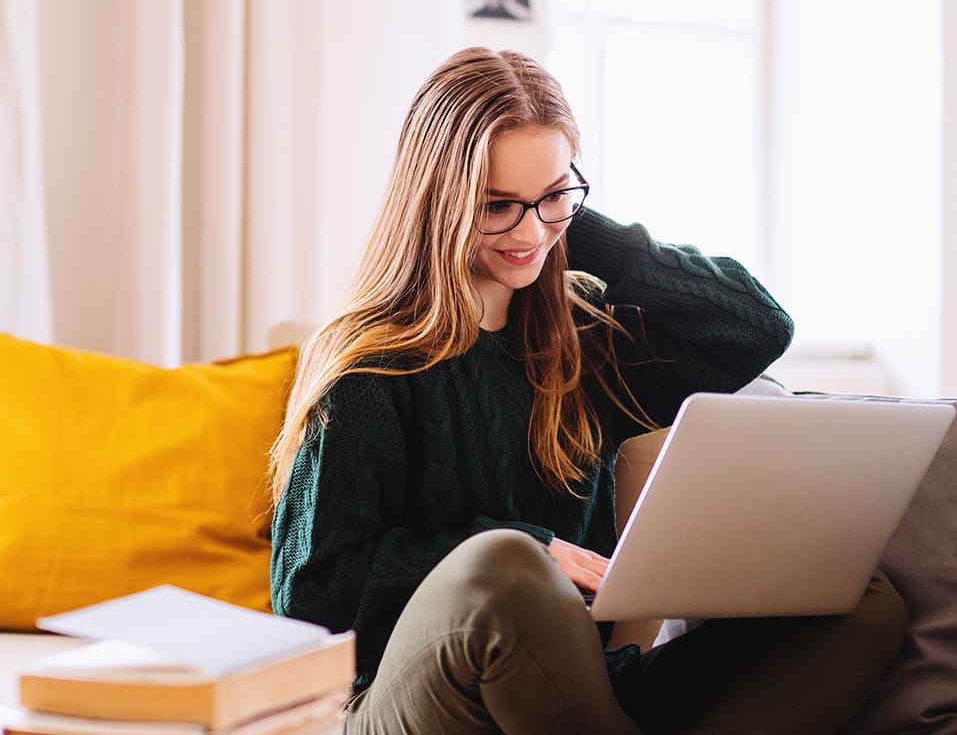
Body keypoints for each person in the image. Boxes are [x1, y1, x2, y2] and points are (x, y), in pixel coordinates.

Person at [269, 47, 906, 734]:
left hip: (583, 690)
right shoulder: (370, 365)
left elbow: (752, 328)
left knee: (855, 601)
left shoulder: (584, 338)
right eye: (497, 205)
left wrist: (579, 230)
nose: (528, 231)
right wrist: (527, 547)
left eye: (551, 196)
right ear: (438, 201)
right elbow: (310, 595)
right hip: (419, 700)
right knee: (504, 566)